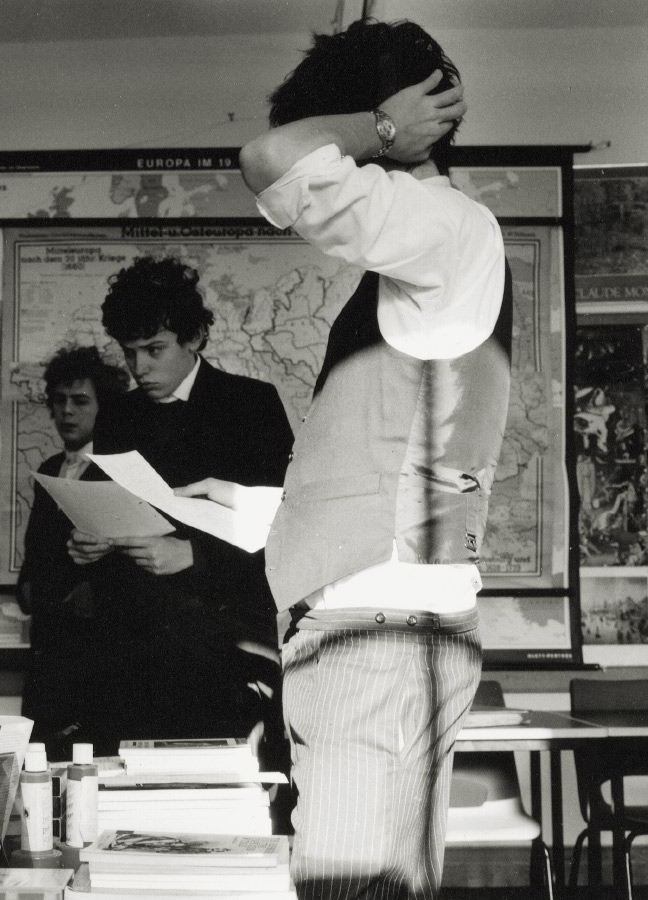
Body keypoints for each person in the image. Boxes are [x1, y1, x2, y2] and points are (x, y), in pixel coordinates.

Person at [185, 19, 511, 900]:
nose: (347, 162)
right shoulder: (434, 263)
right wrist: (263, 510)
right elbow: (397, 463)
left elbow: (271, 158)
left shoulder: (447, 229)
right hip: (388, 634)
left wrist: (389, 123)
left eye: (352, 142)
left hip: (376, 643)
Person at [68, 256, 293, 758]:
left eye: (154, 350)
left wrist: (195, 556)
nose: (139, 367)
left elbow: (288, 535)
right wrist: (87, 543)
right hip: (131, 663)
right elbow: (105, 508)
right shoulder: (119, 416)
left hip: (227, 661)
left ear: (193, 339)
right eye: (129, 353)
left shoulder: (251, 407)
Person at [16, 345, 126, 755]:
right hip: (48, 657)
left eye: (80, 401)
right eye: (59, 401)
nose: (67, 411)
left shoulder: (117, 472)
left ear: (103, 408)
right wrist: (28, 589)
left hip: (98, 666)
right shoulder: (48, 469)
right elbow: (36, 552)